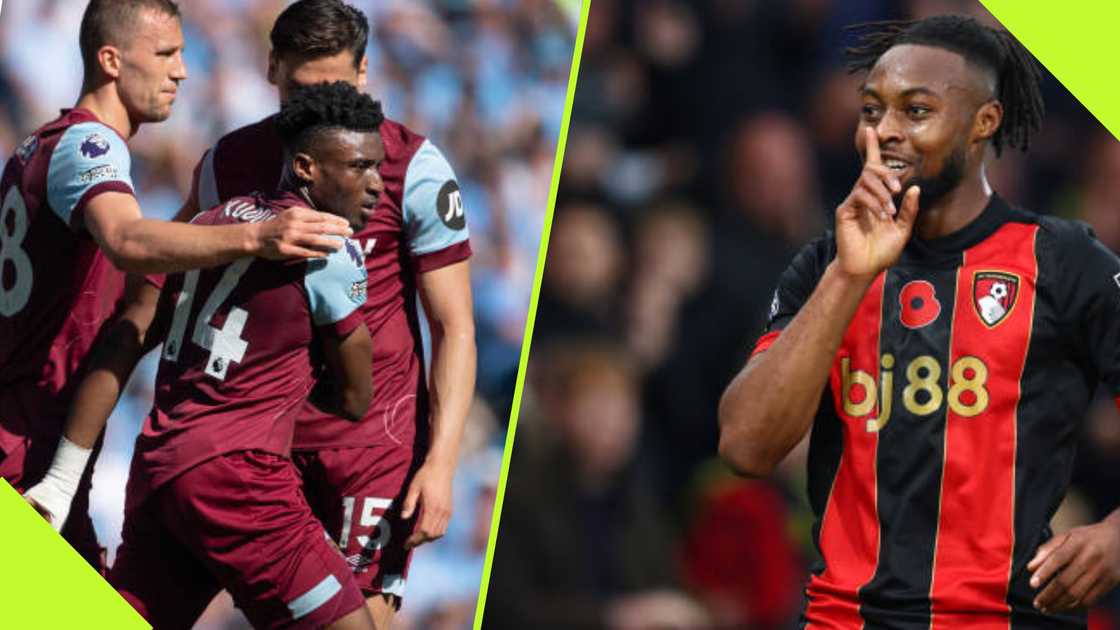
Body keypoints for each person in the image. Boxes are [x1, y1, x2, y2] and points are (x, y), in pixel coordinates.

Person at [27, 2, 475, 627]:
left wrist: (443, 461)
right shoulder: (229, 164)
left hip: (361, 450)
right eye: (298, 90)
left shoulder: (413, 170)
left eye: (333, 90)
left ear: (365, 72)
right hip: (249, 447)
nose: (310, 111)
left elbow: (454, 326)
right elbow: (149, 303)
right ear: (271, 69)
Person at [718, 15, 1120, 628]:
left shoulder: (1065, 263)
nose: (885, 132)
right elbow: (745, 446)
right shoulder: (826, 265)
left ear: (984, 122)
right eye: (872, 110)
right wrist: (850, 277)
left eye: (916, 111)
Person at [3, 0, 352, 571]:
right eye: (165, 54)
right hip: (25, 437)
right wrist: (257, 238)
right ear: (111, 60)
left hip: (40, 434)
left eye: (184, 54)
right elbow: (128, 240)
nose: (181, 71)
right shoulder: (90, 145)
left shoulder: (37, 145)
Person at [108, 81, 380, 630]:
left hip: (163, 464)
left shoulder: (214, 221)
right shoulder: (328, 245)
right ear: (305, 167)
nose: (375, 185)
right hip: (240, 474)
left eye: (378, 167)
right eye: (358, 167)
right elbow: (356, 398)